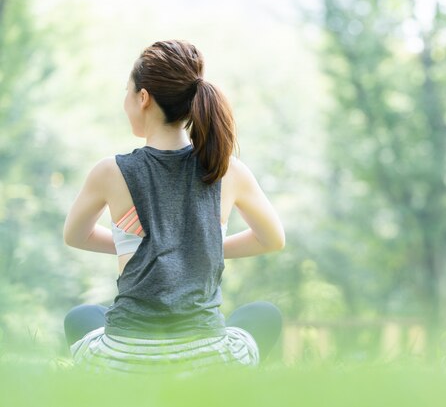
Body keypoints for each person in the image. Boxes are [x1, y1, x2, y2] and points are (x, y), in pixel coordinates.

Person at [62, 40, 285, 375]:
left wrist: (136, 246)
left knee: (80, 317)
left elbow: (76, 236)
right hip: (209, 362)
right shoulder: (227, 169)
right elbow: (272, 240)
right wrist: (197, 245)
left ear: (143, 97)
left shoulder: (109, 172)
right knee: (265, 313)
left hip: (122, 363)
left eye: (127, 91)